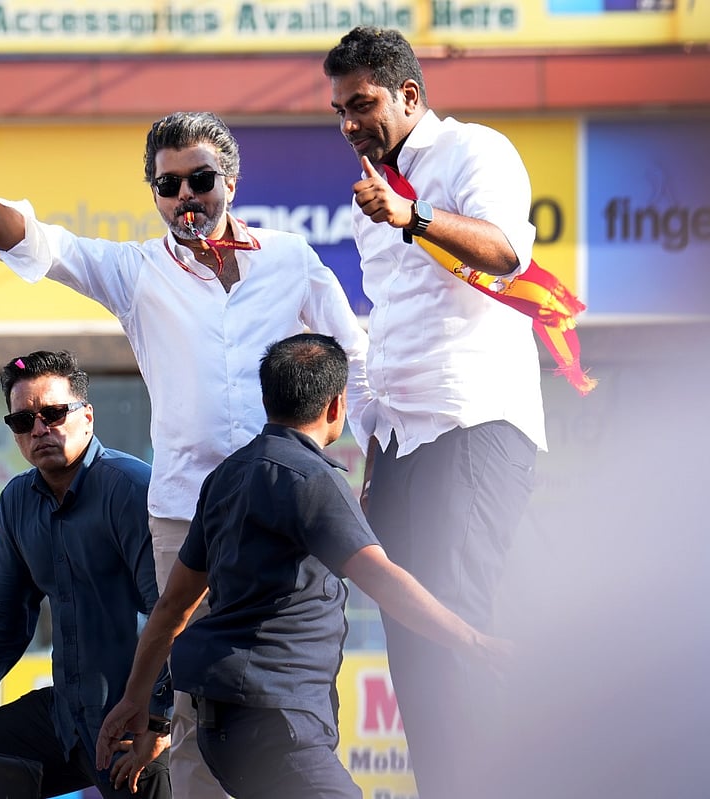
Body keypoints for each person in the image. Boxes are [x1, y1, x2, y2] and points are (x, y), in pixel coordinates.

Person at [0, 109, 371, 799]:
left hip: (286, 513)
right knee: (189, 706)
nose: (185, 197)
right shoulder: (135, 270)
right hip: (189, 518)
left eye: (200, 179)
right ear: (154, 193)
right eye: (168, 185)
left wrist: (367, 472)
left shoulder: (291, 259)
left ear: (231, 182)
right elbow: (41, 243)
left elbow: (354, 364)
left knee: (296, 693)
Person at [94, 333, 511, 799]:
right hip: (278, 724)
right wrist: (474, 640)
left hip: (223, 728)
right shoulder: (311, 479)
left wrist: (136, 698)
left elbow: (173, 605)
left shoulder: (226, 476)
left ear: (267, 399)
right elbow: (383, 580)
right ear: (337, 406)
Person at [323, 26, 546, 799]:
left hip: (473, 424)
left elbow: (507, 251)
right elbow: (390, 327)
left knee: (460, 625)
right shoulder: (369, 193)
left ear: (410, 95)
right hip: (402, 442)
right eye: (339, 110)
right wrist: (374, 455)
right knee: (413, 640)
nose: (350, 122)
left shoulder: (474, 153)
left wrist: (411, 217)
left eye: (363, 104)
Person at [0, 350, 172, 798]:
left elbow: (174, 612)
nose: (40, 429)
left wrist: (160, 717)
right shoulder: (17, 501)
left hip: (135, 724)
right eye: (23, 422)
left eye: (53, 413)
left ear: (87, 416)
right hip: (66, 719)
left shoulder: (131, 489)